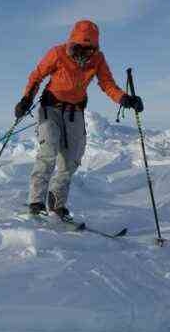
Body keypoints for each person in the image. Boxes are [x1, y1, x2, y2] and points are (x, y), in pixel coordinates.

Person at [14, 19, 143, 220]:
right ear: (72, 43)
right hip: (51, 108)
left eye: (89, 48)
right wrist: (26, 99)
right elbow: (37, 76)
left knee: (71, 159)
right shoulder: (57, 53)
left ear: (95, 47)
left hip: (75, 112)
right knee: (48, 152)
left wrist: (125, 99)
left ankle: (57, 203)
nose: (84, 52)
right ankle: (35, 202)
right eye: (80, 47)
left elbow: (107, 84)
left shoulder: (98, 59)